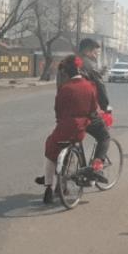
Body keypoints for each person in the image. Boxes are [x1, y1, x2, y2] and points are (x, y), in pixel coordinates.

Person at [36, 55, 106, 204]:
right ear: (79, 69)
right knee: (101, 137)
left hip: (64, 127)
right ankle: (95, 168)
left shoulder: (64, 88)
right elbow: (93, 108)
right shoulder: (89, 86)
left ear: (66, 73)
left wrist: (61, 121)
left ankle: (49, 185)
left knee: (51, 149)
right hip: (80, 127)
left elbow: (58, 109)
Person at [75, 38, 110, 170]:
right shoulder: (89, 65)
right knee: (104, 136)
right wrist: (105, 107)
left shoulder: (67, 63)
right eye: (95, 53)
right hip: (85, 113)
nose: (96, 56)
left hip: (64, 113)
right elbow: (100, 88)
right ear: (88, 52)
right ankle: (96, 168)